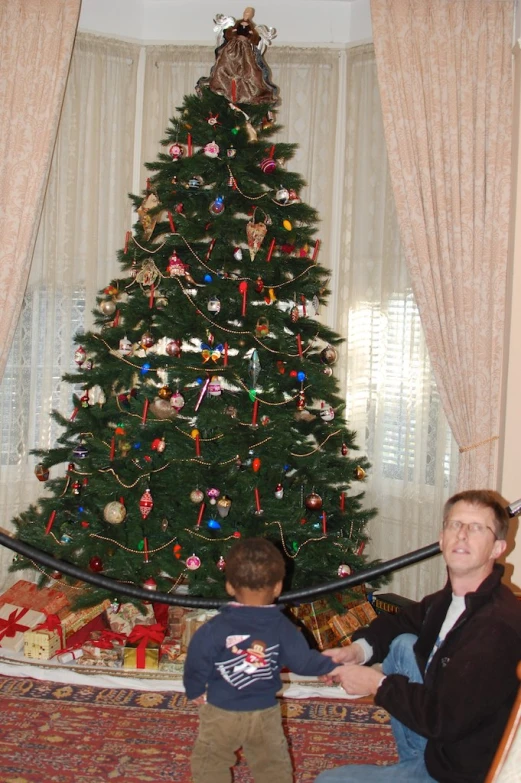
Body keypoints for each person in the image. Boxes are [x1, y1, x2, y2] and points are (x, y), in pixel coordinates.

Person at [315, 489, 521, 783]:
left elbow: (444, 719)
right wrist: (356, 653)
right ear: (441, 539)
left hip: (462, 773)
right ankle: (415, 762)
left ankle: (419, 772)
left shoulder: (494, 628)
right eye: (455, 524)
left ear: (497, 547)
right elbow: (400, 623)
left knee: (328, 782)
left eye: (477, 528)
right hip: (443, 747)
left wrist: (377, 683)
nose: (462, 534)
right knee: (403, 645)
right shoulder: (452, 598)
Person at [183, 536, 337, 783]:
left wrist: (194, 690)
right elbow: (303, 662)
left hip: (221, 712)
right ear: (278, 587)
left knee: (210, 761)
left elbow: (196, 660)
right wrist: (331, 666)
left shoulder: (214, 628)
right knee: (272, 765)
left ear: (230, 586)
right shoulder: (283, 627)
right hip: (265, 713)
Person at [207, 7, 279, 105]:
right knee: (225, 62)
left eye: (249, 13)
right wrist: (232, 32)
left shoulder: (251, 27)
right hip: (233, 47)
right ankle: (222, 83)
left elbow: (254, 38)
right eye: (246, 12)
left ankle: (245, 90)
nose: (246, 14)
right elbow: (229, 33)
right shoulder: (237, 24)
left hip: (245, 48)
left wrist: (251, 34)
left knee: (249, 67)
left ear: (251, 15)